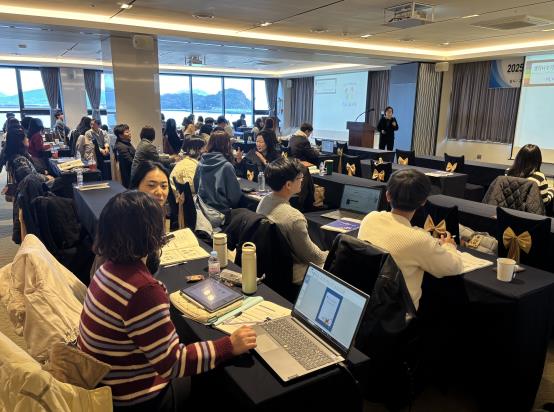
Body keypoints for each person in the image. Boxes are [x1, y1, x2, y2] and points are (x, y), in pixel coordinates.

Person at [77, 190, 256, 410]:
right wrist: (229, 345)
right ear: (152, 233)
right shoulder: (143, 291)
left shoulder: (106, 270)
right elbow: (173, 364)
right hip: (135, 398)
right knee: (214, 380)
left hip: (106, 384)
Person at [358, 169, 463, 310]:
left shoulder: (370, 218)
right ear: (423, 201)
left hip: (365, 302)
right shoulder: (419, 239)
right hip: (397, 314)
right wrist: (449, 246)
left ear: (388, 195)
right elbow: (454, 267)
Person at [257, 157, 327, 284]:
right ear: (288, 185)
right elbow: (313, 257)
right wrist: (330, 255)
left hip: (268, 265)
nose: (302, 180)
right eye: (299, 178)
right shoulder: (294, 218)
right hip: (290, 272)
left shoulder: (264, 201)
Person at [194, 130, 242, 214]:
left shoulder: (201, 162)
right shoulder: (226, 166)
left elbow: (196, 185)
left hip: (202, 211)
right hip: (221, 213)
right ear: (227, 145)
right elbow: (235, 198)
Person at [113, 123, 135, 188]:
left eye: (129, 131)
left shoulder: (126, 142)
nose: (130, 133)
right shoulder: (121, 147)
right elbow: (131, 161)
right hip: (129, 177)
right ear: (121, 135)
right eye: (127, 132)